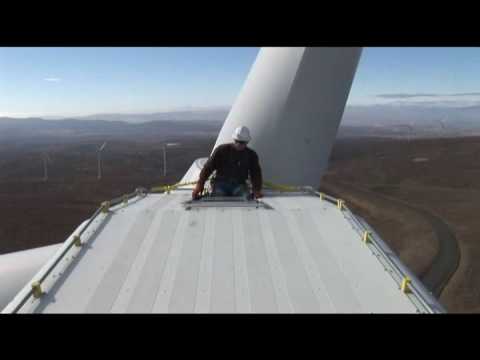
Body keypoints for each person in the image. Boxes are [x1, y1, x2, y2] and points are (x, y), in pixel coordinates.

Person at [192, 126, 263, 199]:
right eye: (236, 141)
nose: (238, 144)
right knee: (217, 200)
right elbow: (208, 167)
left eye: (241, 142)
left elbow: (255, 173)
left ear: (247, 142)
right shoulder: (221, 150)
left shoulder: (251, 155)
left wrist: (256, 189)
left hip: (239, 185)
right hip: (221, 184)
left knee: (247, 200)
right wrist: (200, 184)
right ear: (234, 140)